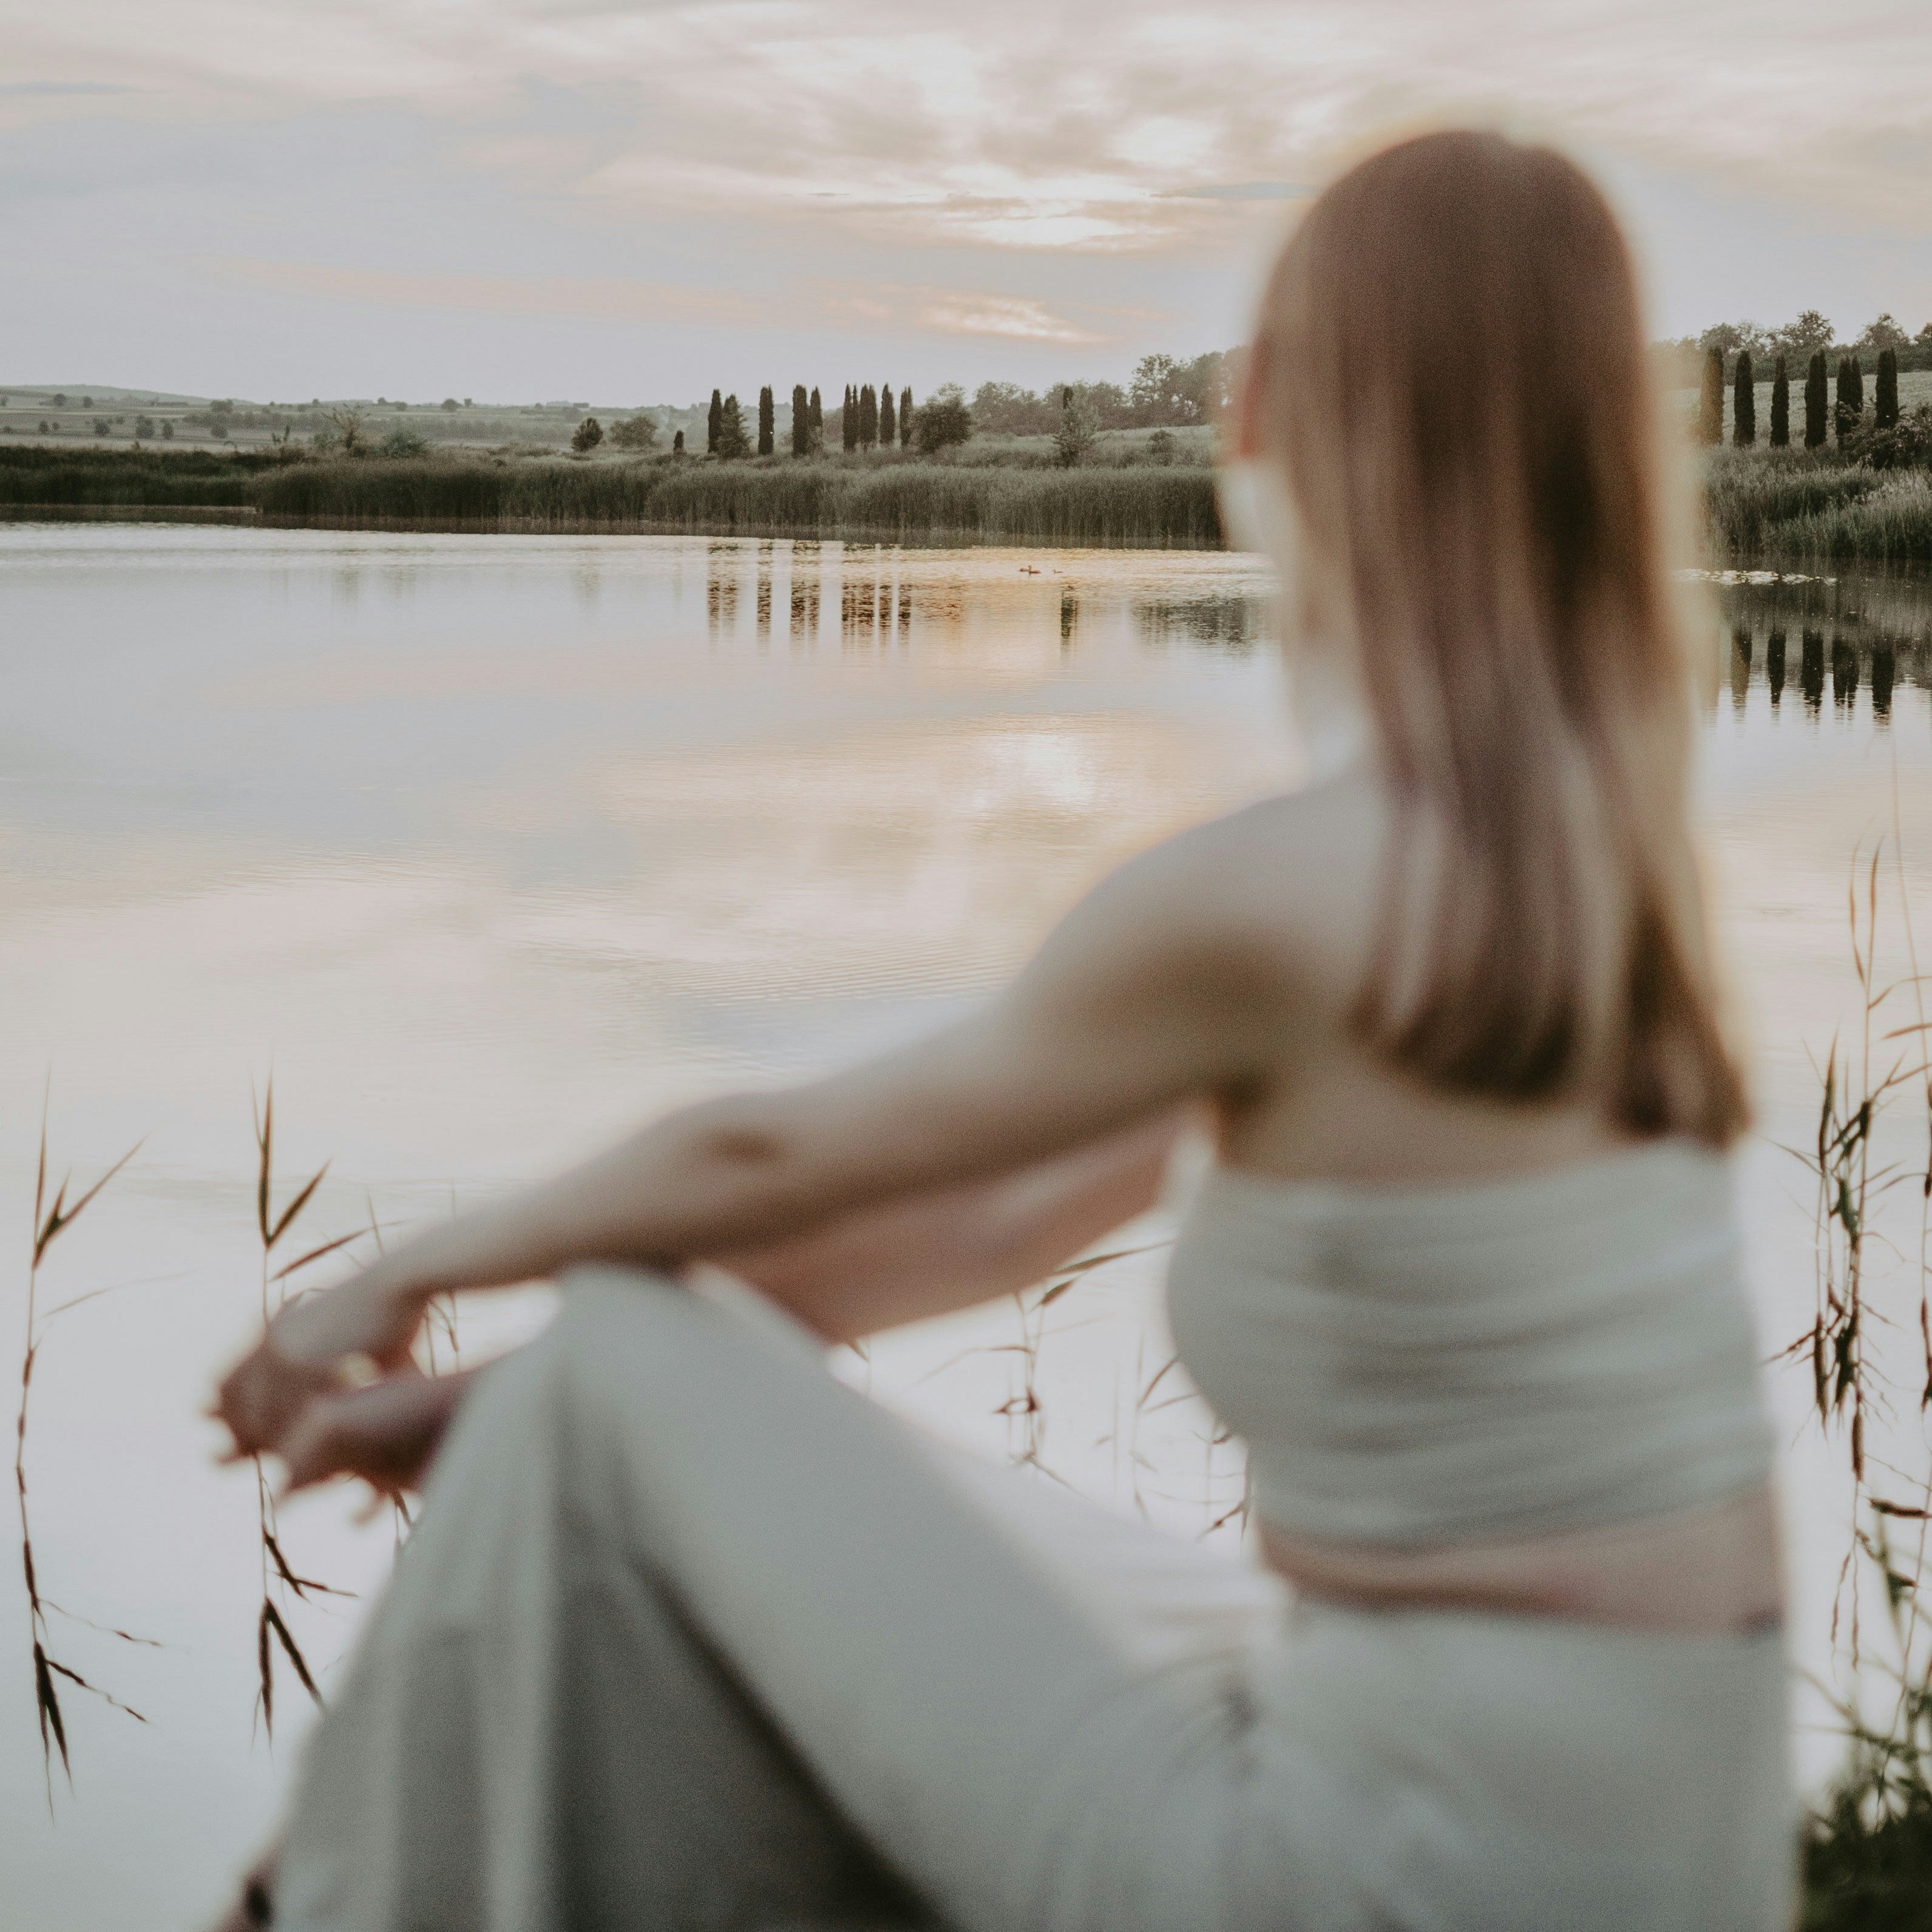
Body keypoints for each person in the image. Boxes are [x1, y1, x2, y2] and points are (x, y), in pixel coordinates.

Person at [214, 127, 1793, 1932]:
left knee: (633, 1339)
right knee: (615, 1382)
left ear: (1262, 413)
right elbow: (983, 1224)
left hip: (1377, 1869)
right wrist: (504, 1404)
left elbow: (761, 1158)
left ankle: (308, 1913)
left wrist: (399, 1268)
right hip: (1642, 1843)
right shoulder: (1601, 866)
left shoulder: (1285, 901)